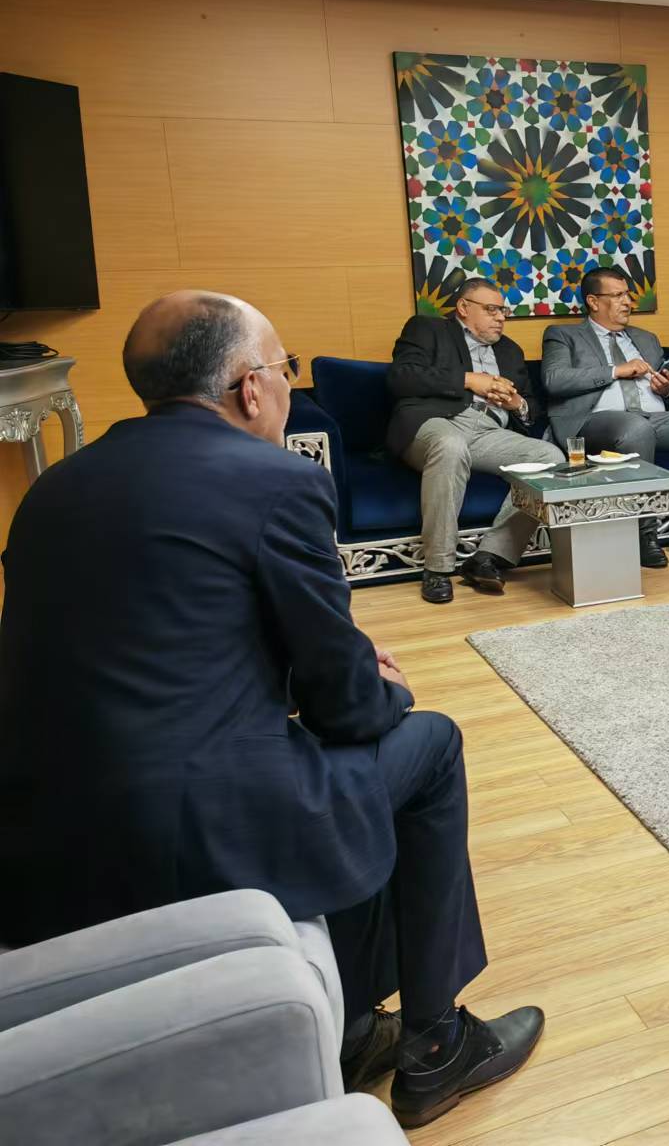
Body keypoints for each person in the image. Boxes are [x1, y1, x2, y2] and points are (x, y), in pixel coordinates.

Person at [0, 292, 543, 1130]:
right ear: (252, 387)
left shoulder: (55, 487)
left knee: (334, 754)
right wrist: (380, 683)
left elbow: (161, 640)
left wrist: (323, 671)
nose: (289, 384)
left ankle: (353, 1027)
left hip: (45, 835)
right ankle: (436, 1043)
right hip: (186, 832)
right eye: (286, 367)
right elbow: (347, 707)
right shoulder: (278, 480)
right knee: (425, 741)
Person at [541, 267, 669, 565]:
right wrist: (616, 371)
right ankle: (645, 534)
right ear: (593, 301)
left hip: (651, 420)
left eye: (628, 295)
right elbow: (554, 380)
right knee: (634, 427)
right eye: (618, 295)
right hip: (595, 423)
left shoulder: (646, 339)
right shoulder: (563, 335)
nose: (627, 302)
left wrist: (667, 388)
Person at [386, 278, 562, 603]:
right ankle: (438, 568)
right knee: (450, 445)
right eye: (491, 309)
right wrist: (469, 380)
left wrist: (516, 404)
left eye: (503, 311)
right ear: (464, 308)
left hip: (489, 432)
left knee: (551, 457)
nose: (500, 317)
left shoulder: (510, 350)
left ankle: (489, 557)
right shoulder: (428, 329)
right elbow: (402, 378)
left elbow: (530, 406)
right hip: (435, 422)